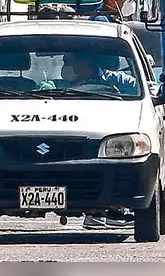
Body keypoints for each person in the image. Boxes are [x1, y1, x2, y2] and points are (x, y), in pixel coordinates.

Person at [61, 52, 139, 230]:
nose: (64, 67)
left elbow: (138, 98)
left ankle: (110, 211)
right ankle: (95, 212)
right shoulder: (52, 85)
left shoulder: (118, 82)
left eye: (68, 62)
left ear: (84, 63)